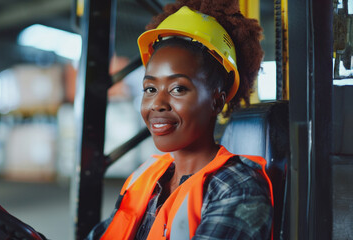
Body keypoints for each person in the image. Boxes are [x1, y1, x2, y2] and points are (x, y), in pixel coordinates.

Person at [86, 0, 273, 239]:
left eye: (178, 89)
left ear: (217, 101)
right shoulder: (145, 176)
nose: (157, 104)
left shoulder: (237, 188)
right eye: (150, 89)